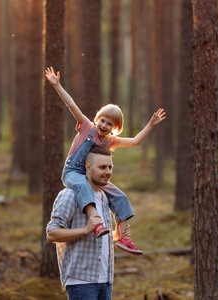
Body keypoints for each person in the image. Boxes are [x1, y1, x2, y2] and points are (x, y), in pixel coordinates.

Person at [45, 66, 166, 255]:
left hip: (94, 177)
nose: (104, 125)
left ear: (114, 128)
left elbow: (135, 141)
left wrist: (150, 124)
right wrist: (57, 86)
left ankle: (124, 237)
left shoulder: (110, 141)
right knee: (83, 187)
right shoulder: (86, 127)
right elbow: (72, 105)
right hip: (73, 173)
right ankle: (97, 223)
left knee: (119, 196)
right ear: (97, 119)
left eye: (109, 124)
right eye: (102, 120)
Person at [47, 145, 118, 299]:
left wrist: (116, 235)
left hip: (106, 281)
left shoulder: (103, 197)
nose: (108, 172)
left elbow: (97, 239)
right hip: (81, 282)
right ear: (88, 167)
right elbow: (52, 233)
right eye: (102, 167)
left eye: (110, 167)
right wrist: (85, 229)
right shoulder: (69, 195)